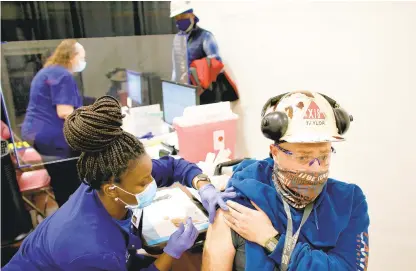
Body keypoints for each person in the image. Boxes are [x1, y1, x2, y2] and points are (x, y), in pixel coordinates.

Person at [4, 96, 237, 271]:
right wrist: (171, 252)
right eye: (143, 182)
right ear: (112, 189)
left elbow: (175, 166)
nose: (152, 183)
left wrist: (204, 186)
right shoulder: (92, 248)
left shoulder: (110, 177)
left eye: (149, 175)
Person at [202, 91, 369, 271]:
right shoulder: (241, 203)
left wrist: (272, 241)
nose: (316, 168)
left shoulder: (349, 202)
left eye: (324, 156)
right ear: (275, 153)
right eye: (304, 158)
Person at [21, 39, 87, 207]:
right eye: (82, 58)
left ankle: (66, 214)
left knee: (61, 181)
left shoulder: (49, 71)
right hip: (53, 138)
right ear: (71, 57)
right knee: (69, 183)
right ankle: (74, 217)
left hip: (39, 135)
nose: (83, 62)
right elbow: (65, 112)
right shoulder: (62, 75)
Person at [170, 1, 222, 104]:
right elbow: (175, 68)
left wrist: (196, 75)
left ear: (192, 15)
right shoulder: (177, 38)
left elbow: (216, 63)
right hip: (184, 92)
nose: (180, 19)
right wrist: (173, 88)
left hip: (204, 95)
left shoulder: (205, 36)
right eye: (177, 17)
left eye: (183, 15)